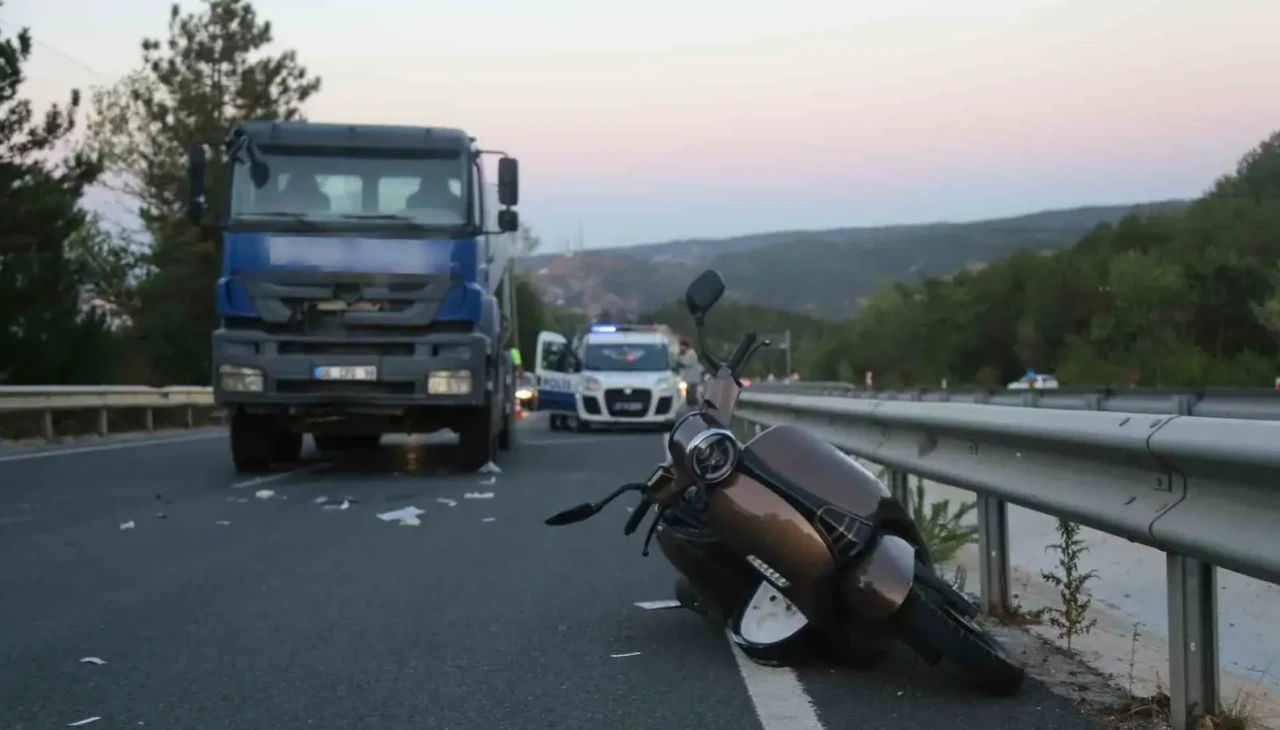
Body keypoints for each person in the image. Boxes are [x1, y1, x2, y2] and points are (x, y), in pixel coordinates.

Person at [674, 338, 702, 406]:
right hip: (688, 378)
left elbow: (684, 363)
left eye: (681, 345)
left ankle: (695, 408)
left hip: (693, 378)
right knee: (688, 395)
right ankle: (693, 406)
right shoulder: (686, 353)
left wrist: (679, 357)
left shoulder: (691, 353)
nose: (680, 347)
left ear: (685, 346)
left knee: (691, 396)